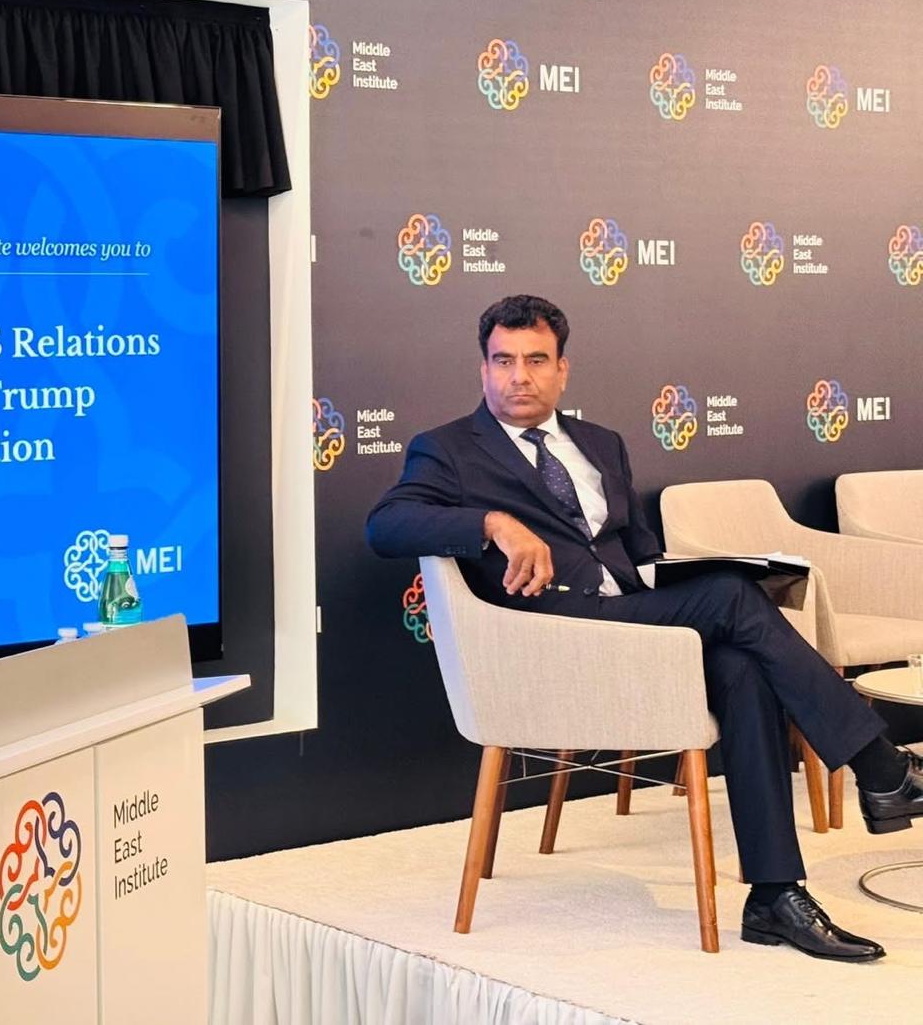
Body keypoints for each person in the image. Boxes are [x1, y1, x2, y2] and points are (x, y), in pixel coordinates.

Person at [366, 293, 923, 963]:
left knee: (742, 661)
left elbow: (641, 556)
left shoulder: (601, 444)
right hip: (553, 638)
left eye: (535, 360)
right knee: (731, 598)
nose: (519, 376)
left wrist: (713, 575)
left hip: (631, 621)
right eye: (503, 361)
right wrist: (492, 523)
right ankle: (881, 766)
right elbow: (386, 526)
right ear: (483, 369)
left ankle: (774, 895)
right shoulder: (448, 450)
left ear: (562, 370)